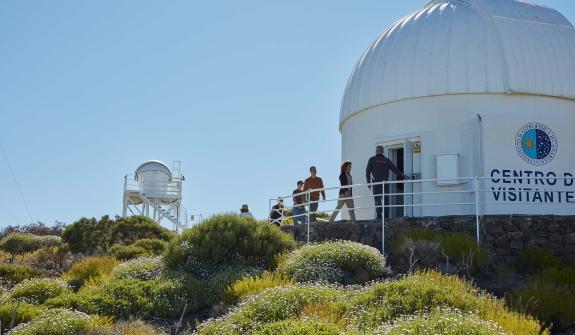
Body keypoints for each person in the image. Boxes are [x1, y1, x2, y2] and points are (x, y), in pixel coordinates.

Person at [366, 146, 407, 220]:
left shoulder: (372, 159)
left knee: (378, 200)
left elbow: (368, 171)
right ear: (383, 151)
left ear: (377, 151)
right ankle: (386, 217)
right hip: (384, 183)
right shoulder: (386, 160)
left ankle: (379, 217)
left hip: (377, 183)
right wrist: (402, 176)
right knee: (385, 200)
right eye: (379, 150)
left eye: (379, 150)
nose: (379, 151)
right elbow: (394, 169)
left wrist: (368, 182)